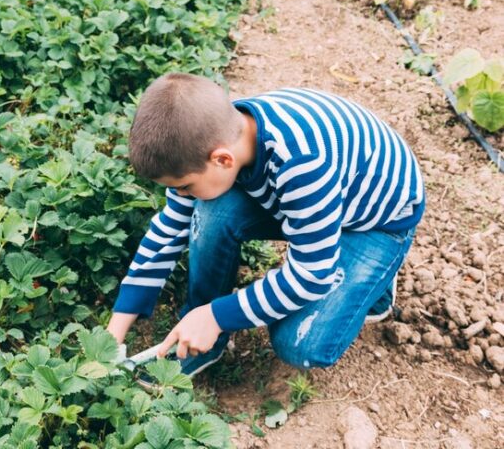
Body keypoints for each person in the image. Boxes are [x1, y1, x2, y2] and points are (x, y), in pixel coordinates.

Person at [107, 72, 425, 380]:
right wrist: (115, 332)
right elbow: (169, 230)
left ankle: (377, 280)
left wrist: (218, 315)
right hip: (321, 196)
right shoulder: (214, 133)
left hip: (376, 218)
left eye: (186, 187)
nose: (181, 196)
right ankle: (203, 342)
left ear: (222, 160)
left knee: (298, 344)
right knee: (207, 211)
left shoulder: (301, 166)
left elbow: (312, 277)